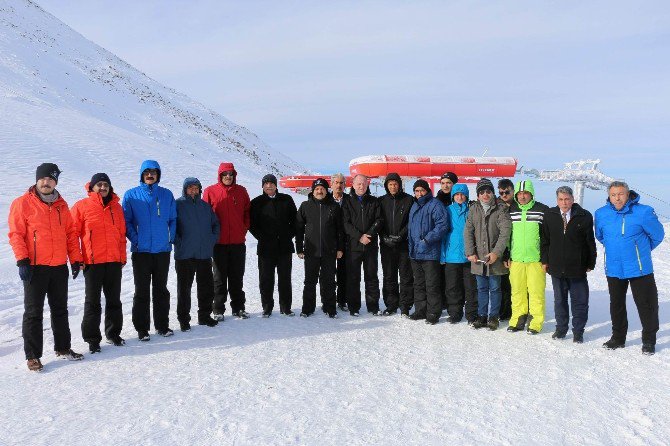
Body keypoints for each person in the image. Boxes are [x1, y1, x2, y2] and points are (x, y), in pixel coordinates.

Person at [8, 163, 84, 371]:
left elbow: (70, 234)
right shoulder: (22, 203)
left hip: (59, 266)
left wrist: (75, 259)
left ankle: (63, 348)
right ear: (37, 179)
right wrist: (22, 260)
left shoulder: (62, 204)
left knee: (60, 310)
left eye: (51, 179)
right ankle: (33, 356)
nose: (46, 182)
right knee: (33, 313)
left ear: (55, 182)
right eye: (43, 178)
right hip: (35, 267)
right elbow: (16, 234)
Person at [595, 181, 664, 355]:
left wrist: (640, 251)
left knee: (647, 304)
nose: (617, 198)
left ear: (628, 194)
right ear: (609, 196)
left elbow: (657, 235)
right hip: (614, 267)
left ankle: (649, 340)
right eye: (613, 195)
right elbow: (601, 236)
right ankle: (618, 338)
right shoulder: (601, 214)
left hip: (639, 268)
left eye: (620, 194)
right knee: (616, 304)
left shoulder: (643, 212)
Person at [71, 173, 126, 353]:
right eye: (99, 185)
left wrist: (122, 257)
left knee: (114, 300)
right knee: (92, 302)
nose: (103, 188)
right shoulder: (82, 206)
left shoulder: (117, 208)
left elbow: (121, 236)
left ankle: (113, 334)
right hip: (92, 263)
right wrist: (77, 258)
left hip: (113, 262)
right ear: (92, 187)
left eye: (106, 185)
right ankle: (92, 339)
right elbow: (72, 235)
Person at [123, 160, 177, 340]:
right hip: (141, 251)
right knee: (142, 290)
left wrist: (170, 238)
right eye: (146, 172)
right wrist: (136, 239)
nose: (150, 175)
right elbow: (127, 221)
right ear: (141, 174)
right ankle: (142, 328)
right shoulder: (131, 195)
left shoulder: (166, 194)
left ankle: (162, 326)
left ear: (158, 174)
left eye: (153, 172)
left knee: (161, 289)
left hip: (162, 250)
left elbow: (173, 219)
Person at [541, 186, 596, 344]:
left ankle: (578, 331)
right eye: (561, 199)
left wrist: (590, 262)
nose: (564, 203)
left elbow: (590, 242)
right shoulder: (550, 215)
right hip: (556, 267)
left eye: (567, 199)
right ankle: (561, 329)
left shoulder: (584, 216)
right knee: (560, 300)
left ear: (572, 199)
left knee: (580, 301)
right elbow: (545, 241)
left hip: (577, 267)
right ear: (557, 200)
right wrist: (545, 261)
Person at [203, 162, 251, 320]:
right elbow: (205, 215)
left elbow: (247, 212)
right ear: (220, 175)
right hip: (219, 243)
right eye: (225, 174)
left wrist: (243, 228)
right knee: (219, 278)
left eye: (231, 174)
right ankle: (218, 309)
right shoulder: (210, 191)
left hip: (238, 242)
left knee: (237, 277)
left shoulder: (241, 191)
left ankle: (239, 308)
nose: (228, 177)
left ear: (234, 175)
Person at [464, 179, 511, 330]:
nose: (485, 195)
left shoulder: (501, 208)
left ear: (492, 193)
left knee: (495, 288)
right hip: (478, 258)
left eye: (488, 192)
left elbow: (505, 233)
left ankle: (493, 316)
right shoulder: (473, 209)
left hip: (494, 258)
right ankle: (482, 315)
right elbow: (468, 231)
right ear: (478, 195)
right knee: (481, 288)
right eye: (482, 192)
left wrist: (496, 253)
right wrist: (470, 252)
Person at [174, 177, 220, 331]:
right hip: (184, 254)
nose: (193, 190)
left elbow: (215, 225)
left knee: (206, 287)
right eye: (190, 188)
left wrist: (211, 240)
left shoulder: (205, 207)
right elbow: (171, 225)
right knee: (184, 289)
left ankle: (205, 316)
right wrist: (178, 242)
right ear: (185, 189)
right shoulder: (177, 205)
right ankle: (184, 319)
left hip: (204, 253)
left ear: (200, 189)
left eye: (196, 188)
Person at [295, 178, 344, 318]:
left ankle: (329, 308)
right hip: (311, 251)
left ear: (326, 190)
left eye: (322, 188)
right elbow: (298, 228)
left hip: (329, 251)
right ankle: (307, 308)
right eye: (317, 189)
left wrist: (340, 248)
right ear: (312, 190)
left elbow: (340, 229)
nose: (319, 190)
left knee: (328, 281)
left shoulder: (334, 207)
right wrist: (299, 248)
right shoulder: (305, 206)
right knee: (310, 281)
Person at [250, 174, 297, 317]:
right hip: (265, 248)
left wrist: (288, 235)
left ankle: (285, 307)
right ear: (262, 186)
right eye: (266, 183)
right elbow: (252, 224)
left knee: (285, 278)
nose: (269, 186)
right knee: (266, 279)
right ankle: (267, 307)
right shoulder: (256, 202)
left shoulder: (286, 200)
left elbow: (295, 221)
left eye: (271, 183)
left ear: (276, 185)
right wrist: (262, 237)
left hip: (284, 247)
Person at [505, 180, 549, 334]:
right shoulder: (511, 210)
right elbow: (507, 235)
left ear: (531, 194)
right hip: (516, 259)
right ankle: (517, 320)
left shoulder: (542, 210)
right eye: (520, 194)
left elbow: (547, 237)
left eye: (525, 193)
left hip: (535, 260)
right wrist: (507, 255)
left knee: (536, 292)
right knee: (517, 292)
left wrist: (545, 258)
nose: (522, 196)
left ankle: (536, 322)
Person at [407, 179, 449, 324]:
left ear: (427, 191)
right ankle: (420, 310)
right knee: (418, 283)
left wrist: (427, 240)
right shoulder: (414, 206)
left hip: (430, 252)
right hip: (415, 252)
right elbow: (411, 228)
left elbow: (442, 225)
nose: (419, 193)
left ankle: (433, 312)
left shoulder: (435, 204)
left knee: (432, 284)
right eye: (417, 191)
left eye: (422, 190)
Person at [342, 174, 383, 316]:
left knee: (371, 277)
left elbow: (379, 220)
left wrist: (368, 235)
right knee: (353, 277)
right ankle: (354, 307)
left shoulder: (374, 201)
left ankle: (373, 306)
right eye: (358, 184)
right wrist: (359, 236)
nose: (361, 186)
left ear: (367, 185)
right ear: (353, 185)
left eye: (364, 184)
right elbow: (345, 223)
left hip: (370, 246)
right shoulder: (347, 202)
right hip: (353, 246)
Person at [440, 183, 478, 324]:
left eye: (462, 194)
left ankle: (471, 314)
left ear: (466, 196)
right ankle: (455, 313)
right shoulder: (448, 210)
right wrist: (443, 254)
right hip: (452, 255)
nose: (459, 197)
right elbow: (443, 233)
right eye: (456, 194)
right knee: (452, 287)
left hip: (469, 255)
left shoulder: (472, 210)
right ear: (452, 196)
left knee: (471, 287)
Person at [378, 173, 414, 316]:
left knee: (406, 276)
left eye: (395, 184)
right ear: (386, 186)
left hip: (403, 245)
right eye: (390, 184)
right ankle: (391, 305)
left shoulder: (408, 200)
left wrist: (401, 235)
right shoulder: (381, 201)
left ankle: (405, 306)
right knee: (389, 276)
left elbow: (411, 221)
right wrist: (384, 237)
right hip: (387, 246)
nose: (393, 186)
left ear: (399, 185)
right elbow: (378, 221)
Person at [331, 173, 351, 311]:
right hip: (329, 242)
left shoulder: (350, 200)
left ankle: (342, 300)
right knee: (328, 273)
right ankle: (328, 299)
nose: (339, 185)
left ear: (345, 185)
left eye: (341, 183)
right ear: (331, 184)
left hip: (346, 242)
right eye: (336, 182)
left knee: (344, 272)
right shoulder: (325, 200)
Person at [497, 178, 515, 321]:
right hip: (502, 249)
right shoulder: (496, 205)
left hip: (518, 249)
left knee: (519, 285)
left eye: (507, 192)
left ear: (512, 191)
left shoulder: (519, 206)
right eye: (501, 192)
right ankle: (504, 311)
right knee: (504, 284)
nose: (504, 195)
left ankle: (521, 311)